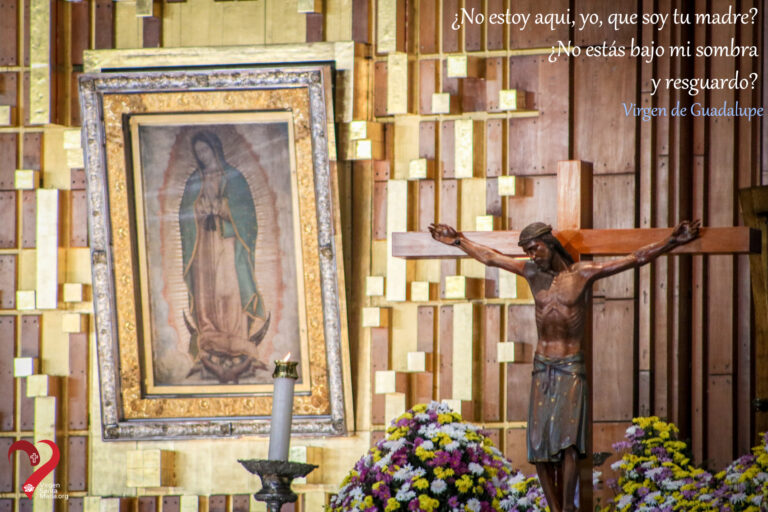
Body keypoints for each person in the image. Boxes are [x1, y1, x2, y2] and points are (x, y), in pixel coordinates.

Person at [428, 219, 701, 512]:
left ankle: (567, 508)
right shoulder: (531, 272)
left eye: (535, 249)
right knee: (539, 445)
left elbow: (635, 259)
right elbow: (492, 257)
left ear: (551, 243)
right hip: (541, 365)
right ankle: (555, 508)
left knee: (569, 441)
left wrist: (672, 241)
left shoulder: (582, 274)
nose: (532, 256)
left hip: (570, 366)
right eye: (528, 251)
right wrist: (458, 241)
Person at [179, 131, 270, 382]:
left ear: (215, 149)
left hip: (228, 243)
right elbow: (185, 217)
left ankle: (235, 336)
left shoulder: (235, 178)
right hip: (203, 245)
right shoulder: (193, 181)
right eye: (199, 153)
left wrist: (223, 208)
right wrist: (198, 210)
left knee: (229, 287)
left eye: (205, 151)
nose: (203, 156)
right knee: (207, 291)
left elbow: (247, 215)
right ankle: (209, 333)